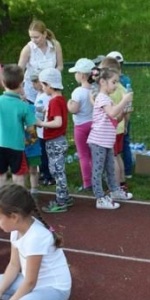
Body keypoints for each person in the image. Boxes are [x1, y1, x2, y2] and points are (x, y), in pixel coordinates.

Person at [0, 184, 73, 300]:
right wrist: (0, 291)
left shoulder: (36, 238)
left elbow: (30, 282)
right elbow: (13, 265)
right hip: (34, 284)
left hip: (54, 290)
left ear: (14, 216)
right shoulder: (16, 229)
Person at [88, 67, 134, 210]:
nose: (115, 85)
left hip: (106, 141)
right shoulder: (102, 98)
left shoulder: (107, 99)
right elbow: (112, 111)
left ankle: (114, 191)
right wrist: (124, 100)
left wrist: (123, 111)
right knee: (98, 169)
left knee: (109, 168)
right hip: (98, 141)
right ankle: (100, 198)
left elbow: (114, 118)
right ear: (102, 82)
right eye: (113, 82)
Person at [0, 65, 37, 189]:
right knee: (18, 177)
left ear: (3, 83)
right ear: (21, 84)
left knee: (0, 176)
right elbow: (31, 129)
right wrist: (31, 141)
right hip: (17, 146)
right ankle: (19, 205)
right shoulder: (23, 106)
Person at [36, 68, 72, 213]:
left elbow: (57, 122)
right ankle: (65, 196)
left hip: (55, 140)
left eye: (43, 85)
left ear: (49, 85)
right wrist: (46, 112)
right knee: (58, 169)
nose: (43, 88)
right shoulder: (60, 100)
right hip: (58, 140)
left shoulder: (54, 102)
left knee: (57, 171)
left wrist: (41, 123)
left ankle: (61, 200)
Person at [18, 20, 64, 104]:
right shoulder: (27, 49)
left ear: (45, 34)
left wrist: (50, 79)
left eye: (36, 37)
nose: (33, 40)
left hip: (50, 89)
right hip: (31, 92)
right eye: (31, 37)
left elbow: (60, 66)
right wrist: (21, 92)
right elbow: (19, 72)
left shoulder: (55, 45)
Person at [68, 58, 96, 192]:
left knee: (83, 155)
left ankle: (87, 183)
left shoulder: (78, 92)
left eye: (77, 72)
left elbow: (74, 109)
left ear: (83, 75)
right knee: (93, 154)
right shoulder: (95, 90)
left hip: (81, 126)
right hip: (93, 124)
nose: (75, 75)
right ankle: (96, 179)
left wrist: (69, 103)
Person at [108, 51, 135, 178]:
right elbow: (128, 105)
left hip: (113, 123)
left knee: (114, 154)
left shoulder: (111, 85)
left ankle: (116, 180)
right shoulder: (126, 82)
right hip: (122, 121)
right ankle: (125, 174)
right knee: (122, 148)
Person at [33, 73, 54, 186]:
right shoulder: (52, 96)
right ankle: (48, 174)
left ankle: (47, 176)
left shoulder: (41, 98)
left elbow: (38, 115)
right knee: (50, 154)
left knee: (44, 155)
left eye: (36, 82)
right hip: (51, 130)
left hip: (43, 132)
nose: (33, 85)